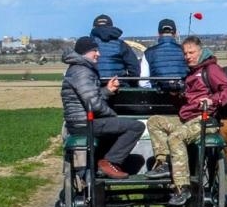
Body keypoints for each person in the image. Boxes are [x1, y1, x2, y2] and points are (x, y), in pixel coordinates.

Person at [145, 35, 227, 207]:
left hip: (205, 120)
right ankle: (163, 163)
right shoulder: (190, 73)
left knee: (175, 137)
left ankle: (182, 188)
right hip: (187, 119)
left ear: (200, 51)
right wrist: (176, 95)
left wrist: (212, 100)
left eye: (191, 52)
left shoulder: (211, 69)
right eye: (185, 53)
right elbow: (187, 102)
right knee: (154, 121)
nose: (188, 56)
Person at [61, 36, 143, 179]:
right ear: (85, 52)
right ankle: (109, 163)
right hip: (85, 123)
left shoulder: (78, 69)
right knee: (136, 127)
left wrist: (107, 90)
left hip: (79, 122)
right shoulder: (82, 71)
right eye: (95, 50)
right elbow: (93, 104)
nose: (98, 54)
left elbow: (91, 96)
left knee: (119, 126)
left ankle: (103, 164)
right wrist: (112, 115)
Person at [89, 14, 140, 80]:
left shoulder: (87, 44)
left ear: (93, 27)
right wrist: (129, 82)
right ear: (111, 27)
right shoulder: (121, 44)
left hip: (93, 83)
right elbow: (134, 67)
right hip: (117, 83)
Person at [142, 17, 188, 90]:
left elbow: (143, 82)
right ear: (176, 33)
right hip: (181, 93)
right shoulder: (185, 50)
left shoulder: (148, 53)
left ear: (158, 34)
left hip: (158, 95)